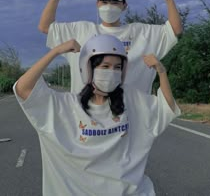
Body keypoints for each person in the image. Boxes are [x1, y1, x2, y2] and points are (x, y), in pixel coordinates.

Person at [14, 34, 180, 196]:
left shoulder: (131, 101)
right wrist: (56, 51)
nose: (112, 72)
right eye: (105, 66)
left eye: (117, 67)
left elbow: (166, 107)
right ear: (89, 69)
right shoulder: (66, 106)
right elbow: (23, 89)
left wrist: (161, 72)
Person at [38, 0, 183, 94]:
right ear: (97, 4)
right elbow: (45, 27)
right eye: (104, 2)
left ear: (124, 6)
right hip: (86, 122)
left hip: (128, 120)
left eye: (115, 2)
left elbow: (175, 30)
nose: (109, 6)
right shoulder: (81, 30)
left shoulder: (141, 33)